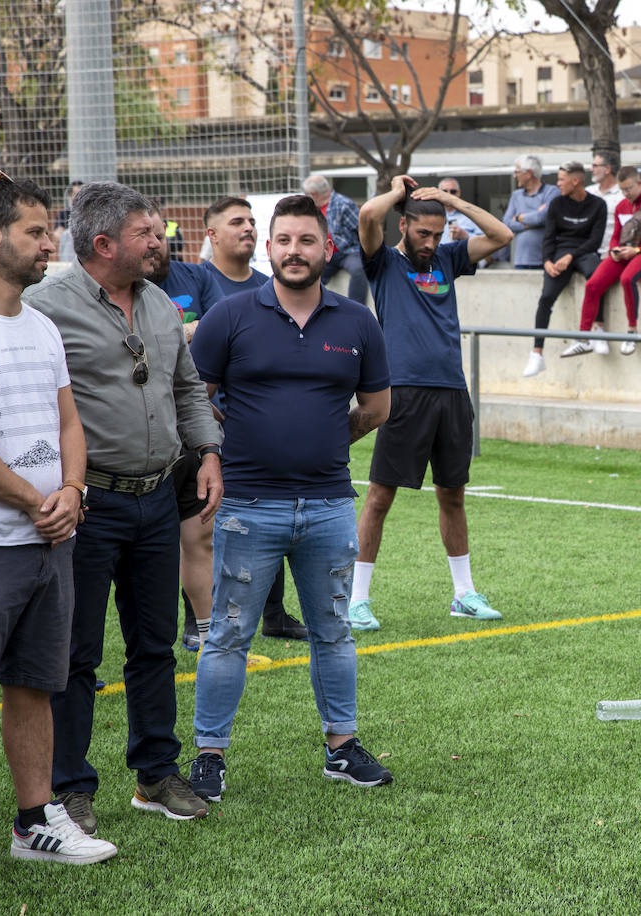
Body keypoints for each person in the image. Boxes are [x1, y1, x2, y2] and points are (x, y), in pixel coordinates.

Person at [26, 181, 223, 833]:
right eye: (147, 232)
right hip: (88, 504)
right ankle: (71, 787)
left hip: (158, 499)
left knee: (155, 644)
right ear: (104, 242)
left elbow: (188, 387)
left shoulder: (162, 304)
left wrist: (209, 452)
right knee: (76, 652)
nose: (160, 240)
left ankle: (156, 774)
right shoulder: (43, 307)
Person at [184, 194, 394, 802]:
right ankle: (210, 755)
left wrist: (330, 437)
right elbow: (196, 397)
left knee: (334, 632)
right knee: (227, 636)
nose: (294, 251)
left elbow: (377, 408)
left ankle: (342, 747)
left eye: (307, 241)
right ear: (269, 248)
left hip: (329, 506)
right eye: (284, 240)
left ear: (328, 249)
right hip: (249, 507)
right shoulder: (230, 317)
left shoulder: (358, 321)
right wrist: (214, 454)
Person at [0, 173, 118, 865]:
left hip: (50, 541)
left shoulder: (40, 325)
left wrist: (71, 487)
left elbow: (70, 419)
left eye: (51, 230)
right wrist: (39, 503)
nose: (50, 243)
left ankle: (34, 823)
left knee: (34, 685)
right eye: (36, 231)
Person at [351, 176, 513, 630]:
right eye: (423, 233)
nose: (430, 242)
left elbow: (503, 236)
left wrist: (448, 200)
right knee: (380, 496)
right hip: (403, 391)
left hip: (451, 392)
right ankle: (356, 599)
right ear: (403, 226)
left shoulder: (448, 258)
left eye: (437, 234)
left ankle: (463, 594)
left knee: (453, 494)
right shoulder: (382, 262)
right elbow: (367, 216)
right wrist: (400, 193)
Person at [199, 196, 306, 641]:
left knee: (277, 513)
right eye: (235, 221)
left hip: (267, 436)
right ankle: (200, 618)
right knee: (206, 526)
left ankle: (275, 613)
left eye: (251, 221)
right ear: (211, 234)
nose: (246, 228)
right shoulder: (199, 280)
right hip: (212, 429)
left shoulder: (271, 286)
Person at [150, 209, 224, 652]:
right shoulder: (107, 292)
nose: (157, 242)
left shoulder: (196, 275)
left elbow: (218, 329)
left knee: (201, 534)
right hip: (135, 446)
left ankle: (207, 632)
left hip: (191, 433)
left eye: (161, 234)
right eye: (147, 234)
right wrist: (187, 331)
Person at [562, 167, 641, 358]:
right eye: (623, 190)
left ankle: (632, 331)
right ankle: (583, 338)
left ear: (639, 183)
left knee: (627, 279)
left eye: (629, 189)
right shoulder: (621, 206)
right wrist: (614, 251)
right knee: (592, 284)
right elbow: (615, 237)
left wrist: (637, 250)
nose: (626, 194)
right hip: (624, 254)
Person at [523, 161, 607, 378]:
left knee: (596, 276)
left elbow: (595, 241)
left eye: (561, 179)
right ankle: (537, 354)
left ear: (575, 180)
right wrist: (547, 261)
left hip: (584, 252)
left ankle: (597, 330)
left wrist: (571, 256)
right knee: (546, 297)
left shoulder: (598, 204)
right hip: (560, 252)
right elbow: (548, 237)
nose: (557, 184)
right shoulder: (557, 204)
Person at [302, 174, 368, 303]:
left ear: (314, 194)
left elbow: (362, 229)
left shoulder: (343, 204)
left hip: (347, 252)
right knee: (310, 274)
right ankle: (307, 305)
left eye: (307, 194)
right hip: (325, 253)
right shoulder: (310, 208)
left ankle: (357, 307)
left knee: (358, 270)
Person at [501, 155, 558, 269]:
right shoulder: (516, 195)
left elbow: (543, 217)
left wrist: (518, 217)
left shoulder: (552, 192)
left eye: (517, 172)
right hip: (520, 260)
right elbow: (506, 223)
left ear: (529, 173)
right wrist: (533, 220)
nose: (514, 176)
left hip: (546, 261)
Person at [587, 153, 623, 259]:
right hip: (588, 254)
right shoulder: (588, 192)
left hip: (611, 254)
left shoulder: (622, 195)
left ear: (607, 169)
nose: (591, 169)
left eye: (595, 166)